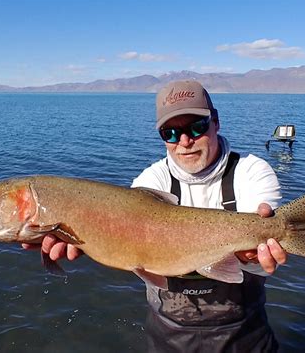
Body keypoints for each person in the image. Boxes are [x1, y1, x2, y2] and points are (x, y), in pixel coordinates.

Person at [23, 80, 287, 352]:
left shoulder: (252, 173)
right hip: (169, 338)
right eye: (170, 133)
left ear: (216, 122)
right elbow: (126, 234)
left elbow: (261, 252)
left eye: (196, 127)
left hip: (245, 337)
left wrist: (256, 251)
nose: (184, 141)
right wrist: (80, 233)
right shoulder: (150, 181)